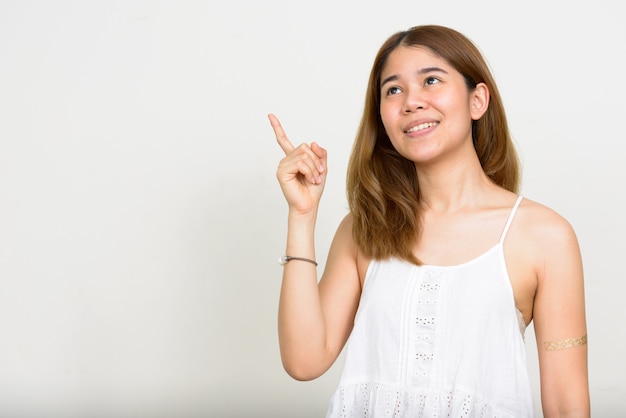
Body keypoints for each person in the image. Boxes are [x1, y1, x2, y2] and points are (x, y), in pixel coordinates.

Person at [269, 24, 589, 417]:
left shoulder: (544, 237)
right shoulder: (363, 229)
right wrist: (302, 216)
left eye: (431, 80)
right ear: (383, 119)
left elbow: (567, 407)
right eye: (393, 90)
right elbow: (304, 361)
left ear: (478, 100)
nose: (411, 102)